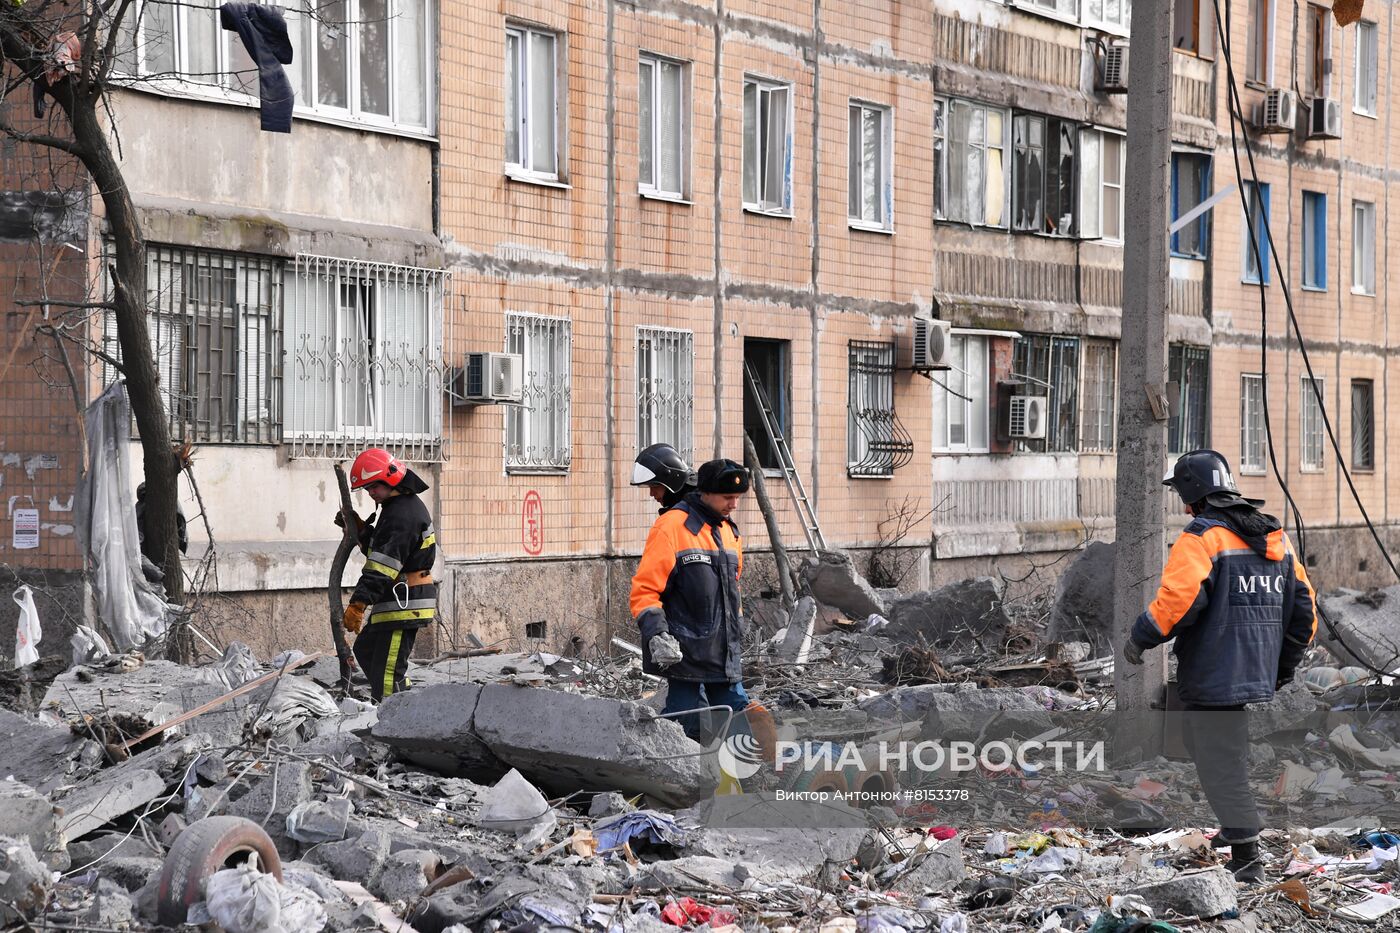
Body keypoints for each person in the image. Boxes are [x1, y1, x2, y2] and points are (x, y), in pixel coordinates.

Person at [1123, 449, 1317, 883]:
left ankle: (1248, 857)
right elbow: (1305, 610)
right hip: (1252, 670)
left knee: (1219, 759)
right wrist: (1282, 667)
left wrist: (1141, 637)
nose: (1182, 505)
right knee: (1205, 743)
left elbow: (1179, 601)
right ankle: (1236, 827)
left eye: (1182, 495)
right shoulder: (1274, 538)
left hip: (1214, 671)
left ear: (1193, 492)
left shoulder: (1203, 536)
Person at [630, 458, 751, 741]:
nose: (733, 505)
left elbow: (733, 591)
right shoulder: (670, 527)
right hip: (686, 658)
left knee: (740, 729)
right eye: (727, 497)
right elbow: (646, 590)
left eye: (737, 498)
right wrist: (657, 633)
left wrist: (736, 631)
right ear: (705, 492)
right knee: (683, 733)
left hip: (725, 658)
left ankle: (747, 781)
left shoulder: (729, 532)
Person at [338, 447, 437, 702]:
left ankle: (395, 725)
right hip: (395, 600)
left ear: (389, 478)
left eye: (373, 487)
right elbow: (382, 550)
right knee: (366, 649)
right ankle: (403, 705)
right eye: (368, 489)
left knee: (388, 672)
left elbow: (383, 566)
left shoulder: (402, 514)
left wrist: (359, 602)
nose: (371, 493)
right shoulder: (396, 508)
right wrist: (361, 532)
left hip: (404, 603)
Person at [630, 443, 696, 512]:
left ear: (672, 481)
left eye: (655, 486)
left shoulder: (689, 512)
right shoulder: (698, 505)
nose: (651, 493)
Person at [135, 481, 189, 556]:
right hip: (149, 548)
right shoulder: (140, 508)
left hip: (170, 544)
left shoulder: (170, 501)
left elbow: (181, 523)